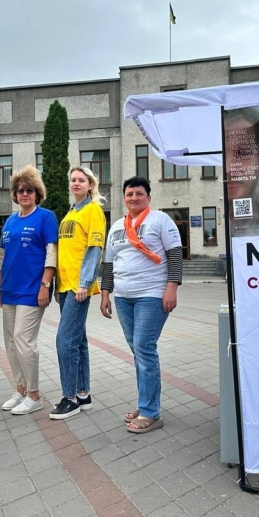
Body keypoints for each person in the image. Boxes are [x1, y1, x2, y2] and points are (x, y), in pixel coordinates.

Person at [100, 177, 182, 433]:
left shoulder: (160, 220)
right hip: (124, 296)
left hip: (152, 294)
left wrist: (172, 288)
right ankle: (145, 402)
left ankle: (151, 412)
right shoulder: (116, 226)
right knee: (137, 350)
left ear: (148, 197)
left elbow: (175, 254)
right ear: (124, 198)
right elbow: (109, 263)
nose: (133, 198)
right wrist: (105, 293)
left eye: (138, 193)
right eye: (129, 194)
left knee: (144, 348)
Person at [0, 166, 58, 415]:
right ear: (15, 193)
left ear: (37, 193)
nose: (24, 194)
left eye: (29, 190)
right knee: (10, 343)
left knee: (23, 341)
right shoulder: (10, 221)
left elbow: (52, 252)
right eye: (20, 190)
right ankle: (20, 389)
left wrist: (45, 285)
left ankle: (35, 394)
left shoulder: (45, 216)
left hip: (32, 289)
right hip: (9, 289)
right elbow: (2, 256)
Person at [50, 165, 106, 420]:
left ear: (90, 185)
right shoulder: (71, 211)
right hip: (65, 286)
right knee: (78, 340)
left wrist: (84, 283)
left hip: (78, 287)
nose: (75, 183)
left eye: (81, 180)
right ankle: (83, 394)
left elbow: (94, 249)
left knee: (64, 342)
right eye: (72, 180)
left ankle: (69, 397)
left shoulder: (93, 210)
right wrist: (57, 286)